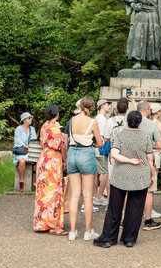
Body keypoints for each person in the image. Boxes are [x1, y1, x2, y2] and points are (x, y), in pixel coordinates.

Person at [94, 111, 155, 249]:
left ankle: (109, 238)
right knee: (135, 209)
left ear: (127, 120)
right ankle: (129, 238)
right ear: (140, 122)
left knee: (115, 208)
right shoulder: (145, 137)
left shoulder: (119, 135)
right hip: (141, 174)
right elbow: (150, 159)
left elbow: (114, 154)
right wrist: (152, 175)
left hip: (120, 174)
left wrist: (128, 160)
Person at [66, 96, 104, 241]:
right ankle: (88, 232)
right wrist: (93, 144)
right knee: (87, 195)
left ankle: (72, 231)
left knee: (75, 195)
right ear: (92, 107)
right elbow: (99, 142)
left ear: (81, 106)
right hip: (86, 154)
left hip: (72, 154)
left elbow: (68, 138)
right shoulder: (93, 122)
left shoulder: (72, 120)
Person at [34, 104, 67, 235]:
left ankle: (42, 222)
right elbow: (61, 146)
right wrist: (65, 160)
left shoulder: (44, 126)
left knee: (43, 191)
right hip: (53, 159)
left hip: (43, 157)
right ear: (57, 114)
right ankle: (54, 225)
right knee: (54, 191)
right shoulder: (55, 129)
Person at [136, 101, 161, 230]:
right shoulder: (152, 125)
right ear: (147, 110)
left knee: (129, 190)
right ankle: (148, 220)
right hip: (147, 159)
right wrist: (151, 147)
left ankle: (125, 219)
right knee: (149, 190)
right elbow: (160, 145)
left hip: (132, 158)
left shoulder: (130, 122)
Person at [149, 103, 161, 220]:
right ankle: (149, 209)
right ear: (158, 112)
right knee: (153, 180)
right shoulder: (157, 123)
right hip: (155, 153)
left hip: (146, 152)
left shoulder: (145, 121)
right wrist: (160, 145)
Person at [93, 99, 111, 207]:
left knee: (97, 173)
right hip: (101, 148)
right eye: (108, 105)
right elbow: (104, 136)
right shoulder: (103, 120)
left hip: (95, 148)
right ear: (103, 106)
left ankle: (96, 195)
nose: (109, 107)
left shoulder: (96, 118)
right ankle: (99, 195)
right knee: (105, 172)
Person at [13, 112, 36, 193]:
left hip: (30, 151)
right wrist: (27, 147)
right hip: (21, 152)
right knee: (22, 161)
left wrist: (31, 147)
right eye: (29, 118)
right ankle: (21, 182)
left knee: (40, 159)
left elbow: (34, 140)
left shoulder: (32, 129)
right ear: (24, 120)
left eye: (31, 118)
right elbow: (17, 141)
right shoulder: (18, 129)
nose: (31, 119)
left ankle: (38, 181)